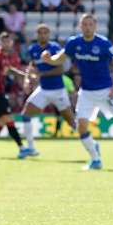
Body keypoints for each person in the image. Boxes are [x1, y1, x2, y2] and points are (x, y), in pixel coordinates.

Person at [41, 13, 113, 170]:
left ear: (95, 26)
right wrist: (49, 59)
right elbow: (61, 58)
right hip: (86, 93)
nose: (87, 27)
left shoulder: (103, 43)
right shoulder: (74, 42)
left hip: (106, 91)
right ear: (80, 26)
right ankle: (96, 159)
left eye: (90, 24)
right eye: (84, 24)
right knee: (81, 127)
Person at [20, 24, 76, 156]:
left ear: (49, 35)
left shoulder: (54, 48)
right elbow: (31, 66)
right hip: (43, 90)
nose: (43, 35)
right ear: (37, 35)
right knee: (25, 115)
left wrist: (40, 74)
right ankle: (31, 148)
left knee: (71, 121)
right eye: (40, 33)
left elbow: (60, 69)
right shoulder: (33, 49)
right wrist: (27, 79)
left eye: (45, 32)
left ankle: (91, 142)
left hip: (58, 90)